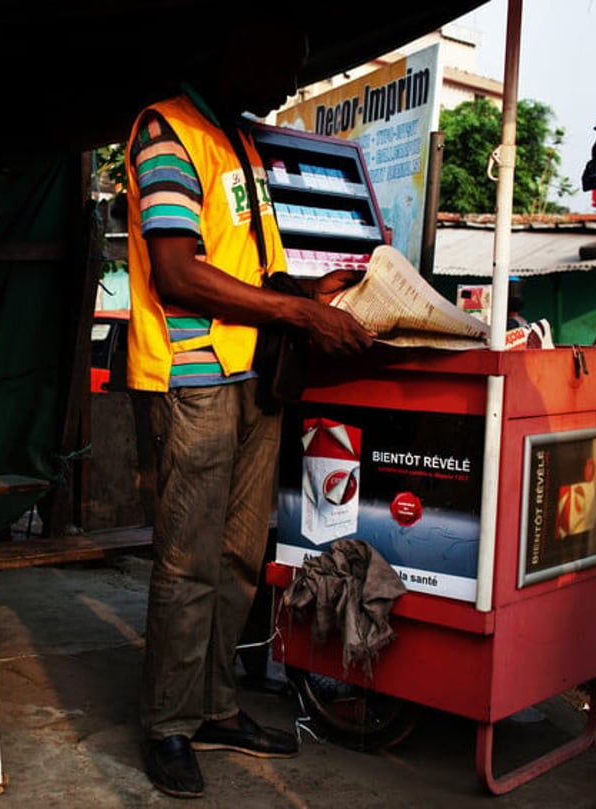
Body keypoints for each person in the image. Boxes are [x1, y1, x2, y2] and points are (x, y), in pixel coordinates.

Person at [125, 23, 373, 799]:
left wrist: (308, 293)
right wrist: (298, 316)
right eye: (280, 63)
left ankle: (214, 705)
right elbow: (176, 272)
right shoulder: (167, 129)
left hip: (253, 377)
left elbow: (243, 266)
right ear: (235, 47)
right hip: (192, 377)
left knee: (237, 555)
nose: (286, 83)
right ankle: (167, 722)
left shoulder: (238, 143)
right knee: (186, 558)